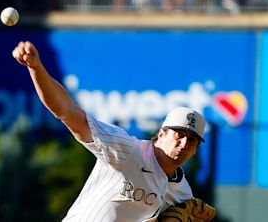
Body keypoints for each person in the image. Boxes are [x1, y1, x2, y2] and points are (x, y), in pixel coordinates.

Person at [12, 41, 214, 221]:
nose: (184, 143)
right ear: (161, 134)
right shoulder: (127, 150)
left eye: (192, 140)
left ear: (196, 149)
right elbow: (67, 112)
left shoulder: (182, 194)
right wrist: (36, 68)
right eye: (179, 135)